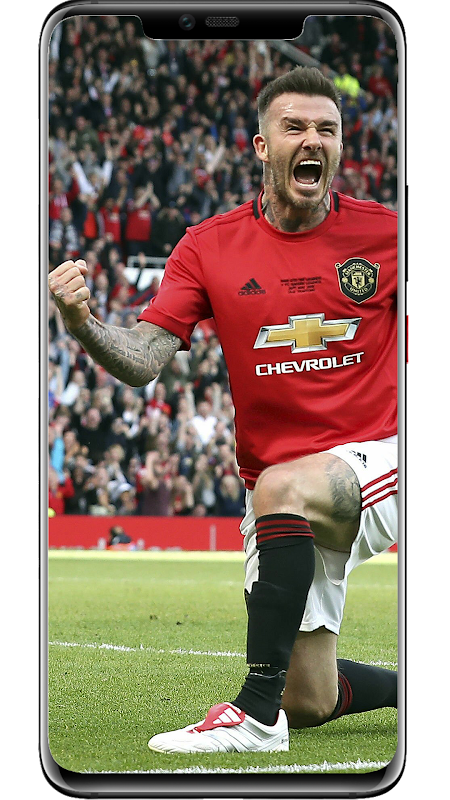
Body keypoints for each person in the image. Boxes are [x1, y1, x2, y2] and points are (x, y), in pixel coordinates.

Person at [48, 66, 398, 753]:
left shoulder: (388, 234)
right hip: (280, 489)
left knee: (282, 488)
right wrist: (84, 326)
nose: (313, 140)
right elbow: (144, 359)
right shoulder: (208, 246)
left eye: (327, 129)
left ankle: (254, 719)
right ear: (262, 146)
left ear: (340, 145)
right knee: (309, 696)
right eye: (294, 127)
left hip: (381, 454)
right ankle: (301, 703)